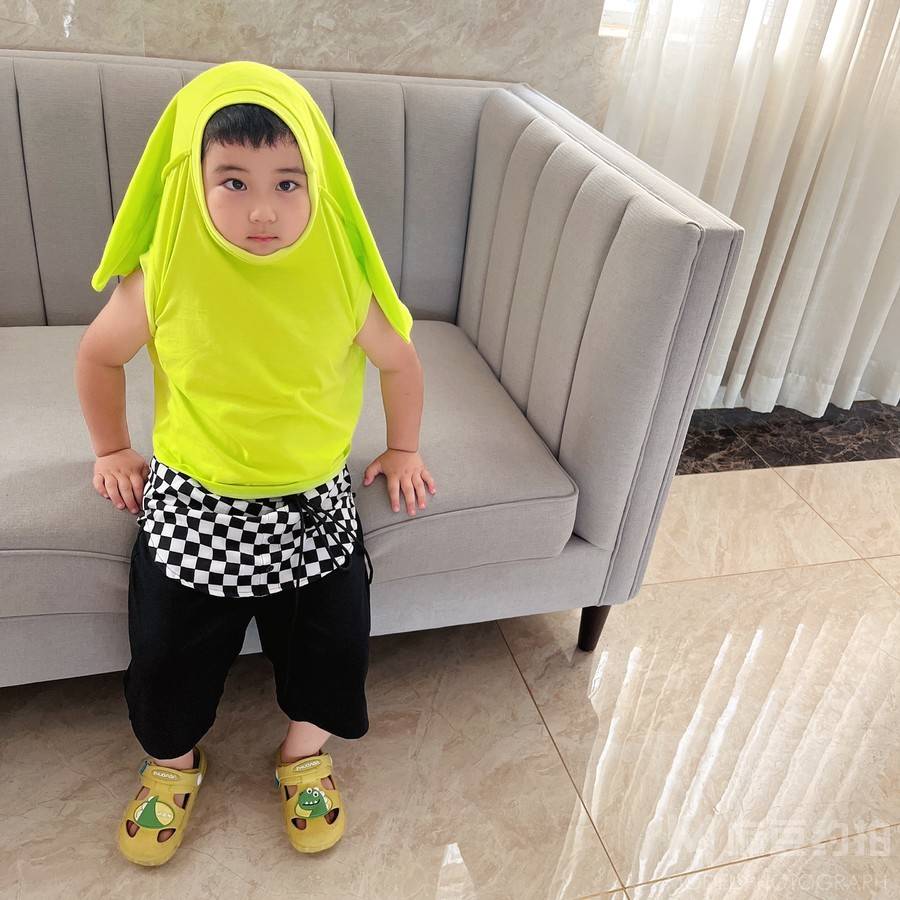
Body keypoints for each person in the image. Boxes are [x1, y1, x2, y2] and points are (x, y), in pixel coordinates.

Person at [75, 59, 437, 865]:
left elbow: (400, 360)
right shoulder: (165, 268)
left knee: (333, 643)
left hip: (310, 507)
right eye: (233, 182)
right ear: (192, 182)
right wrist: (112, 447)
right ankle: (173, 763)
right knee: (166, 651)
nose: (264, 210)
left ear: (319, 186)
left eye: (288, 183)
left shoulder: (341, 272)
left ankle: (303, 753)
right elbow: (98, 356)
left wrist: (404, 445)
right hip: (194, 502)